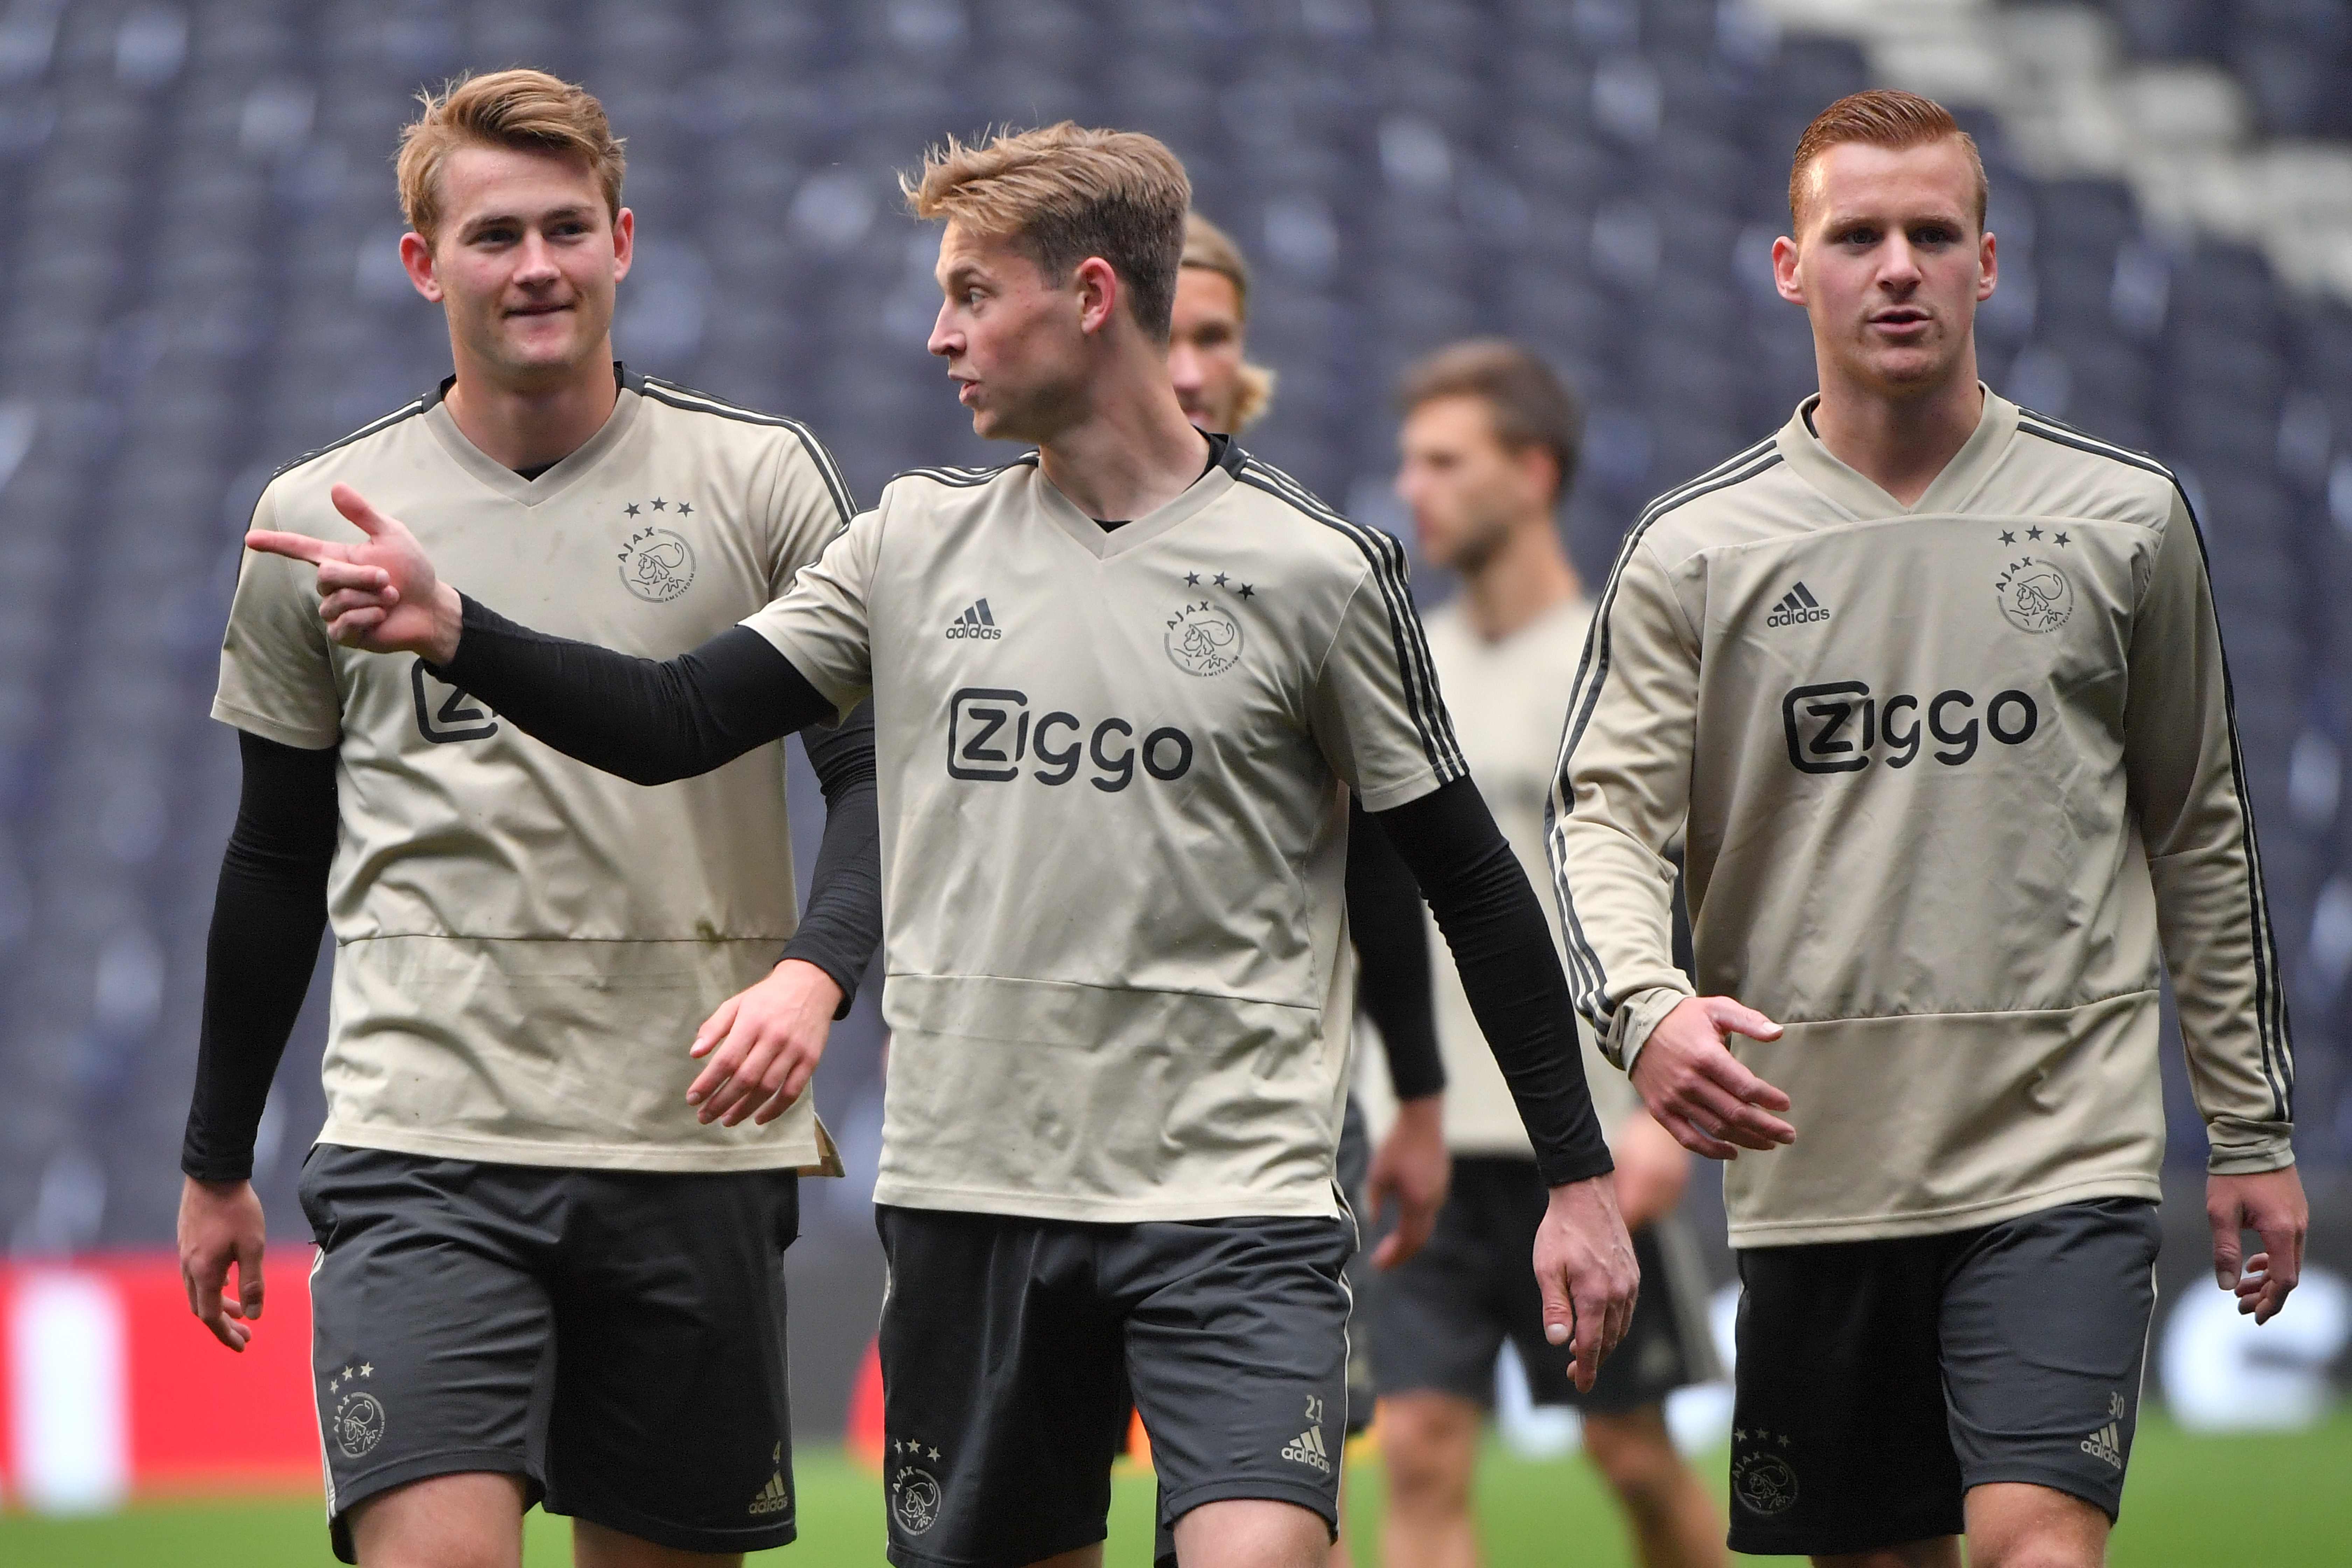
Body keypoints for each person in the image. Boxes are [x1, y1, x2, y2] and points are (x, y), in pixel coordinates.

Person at [246, 122, 1639, 1568]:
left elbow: (1468, 876)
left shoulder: (1317, 569)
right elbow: (676, 719)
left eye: (974, 294)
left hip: (1234, 1201)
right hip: (973, 1201)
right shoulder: (908, 546)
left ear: (1091, 298)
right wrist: (460, 628)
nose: (939, 336)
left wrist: (1576, 1174)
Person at [1548, 89, 2307, 1568]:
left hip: (2061, 1151)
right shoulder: (1695, 550)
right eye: (1858, 236)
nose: (1896, 265)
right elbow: (1605, 826)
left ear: (1989, 264)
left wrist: (2250, 1125)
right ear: (1789, 267)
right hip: (1815, 1163)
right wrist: (1646, 1014)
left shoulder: (2125, 519)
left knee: (2038, 1541)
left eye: (1931, 233)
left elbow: (2200, 834)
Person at [176, 70, 881, 1568]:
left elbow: (877, 775)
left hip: (691, 1139)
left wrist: (816, 970)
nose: (540, 265)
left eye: (570, 227)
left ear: (625, 239)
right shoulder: (326, 511)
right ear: (425, 262)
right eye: (495, 236)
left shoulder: (760, 481)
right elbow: (274, 855)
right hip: (426, 1136)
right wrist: (215, 1156)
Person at [1374, 340, 1727, 1568]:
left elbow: (1701, 885)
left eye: (1444, 461)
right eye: (1409, 460)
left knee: (1630, 1454)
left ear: (1532, 472)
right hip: (1422, 1142)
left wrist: (1663, 1123)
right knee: (1414, 1448)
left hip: (1581, 1137)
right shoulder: (1398, 664)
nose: (1411, 487)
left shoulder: (1619, 656)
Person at [1171, 212, 1451, 1568]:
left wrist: (1417, 1092)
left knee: (1281, 1515)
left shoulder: (1315, 568)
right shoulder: (978, 555)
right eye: (1167, 330)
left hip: (1276, 1120)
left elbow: (1385, 862)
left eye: (1215, 334)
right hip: (1034, 1127)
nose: (1190, 364)